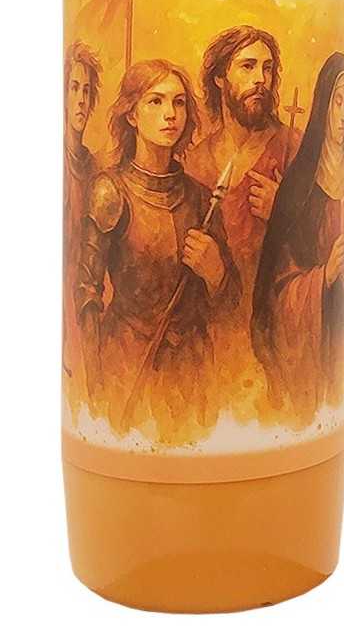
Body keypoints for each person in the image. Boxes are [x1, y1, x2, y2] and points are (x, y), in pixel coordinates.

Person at [75, 59, 239, 441]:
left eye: (179, 102)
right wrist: (95, 382)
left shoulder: (202, 199)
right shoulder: (109, 191)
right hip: (127, 364)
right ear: (132, 114)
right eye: (156, 101)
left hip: (192, 374)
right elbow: (87, 292)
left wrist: (215, 272)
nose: (170, 114)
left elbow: (231, 304)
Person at [184, 26, 300, 399]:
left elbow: (327, 252)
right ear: (220, 77)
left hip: (272, 345)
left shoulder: (294, 150)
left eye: (267, 68)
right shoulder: (194, 162)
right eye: (247, 67)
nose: (260, 79)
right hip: (207, 351)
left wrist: (284, 214)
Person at [252, 52, 344, 421]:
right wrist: (324, 276)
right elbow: (276, 291)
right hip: (312, 339)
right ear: (324, 105)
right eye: (338, 102)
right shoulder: (298, 190)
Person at [62, 41, 101, 385]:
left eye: (86, 91)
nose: (80, 100)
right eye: (73, 88)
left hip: (85, 292)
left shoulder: (92, 167)